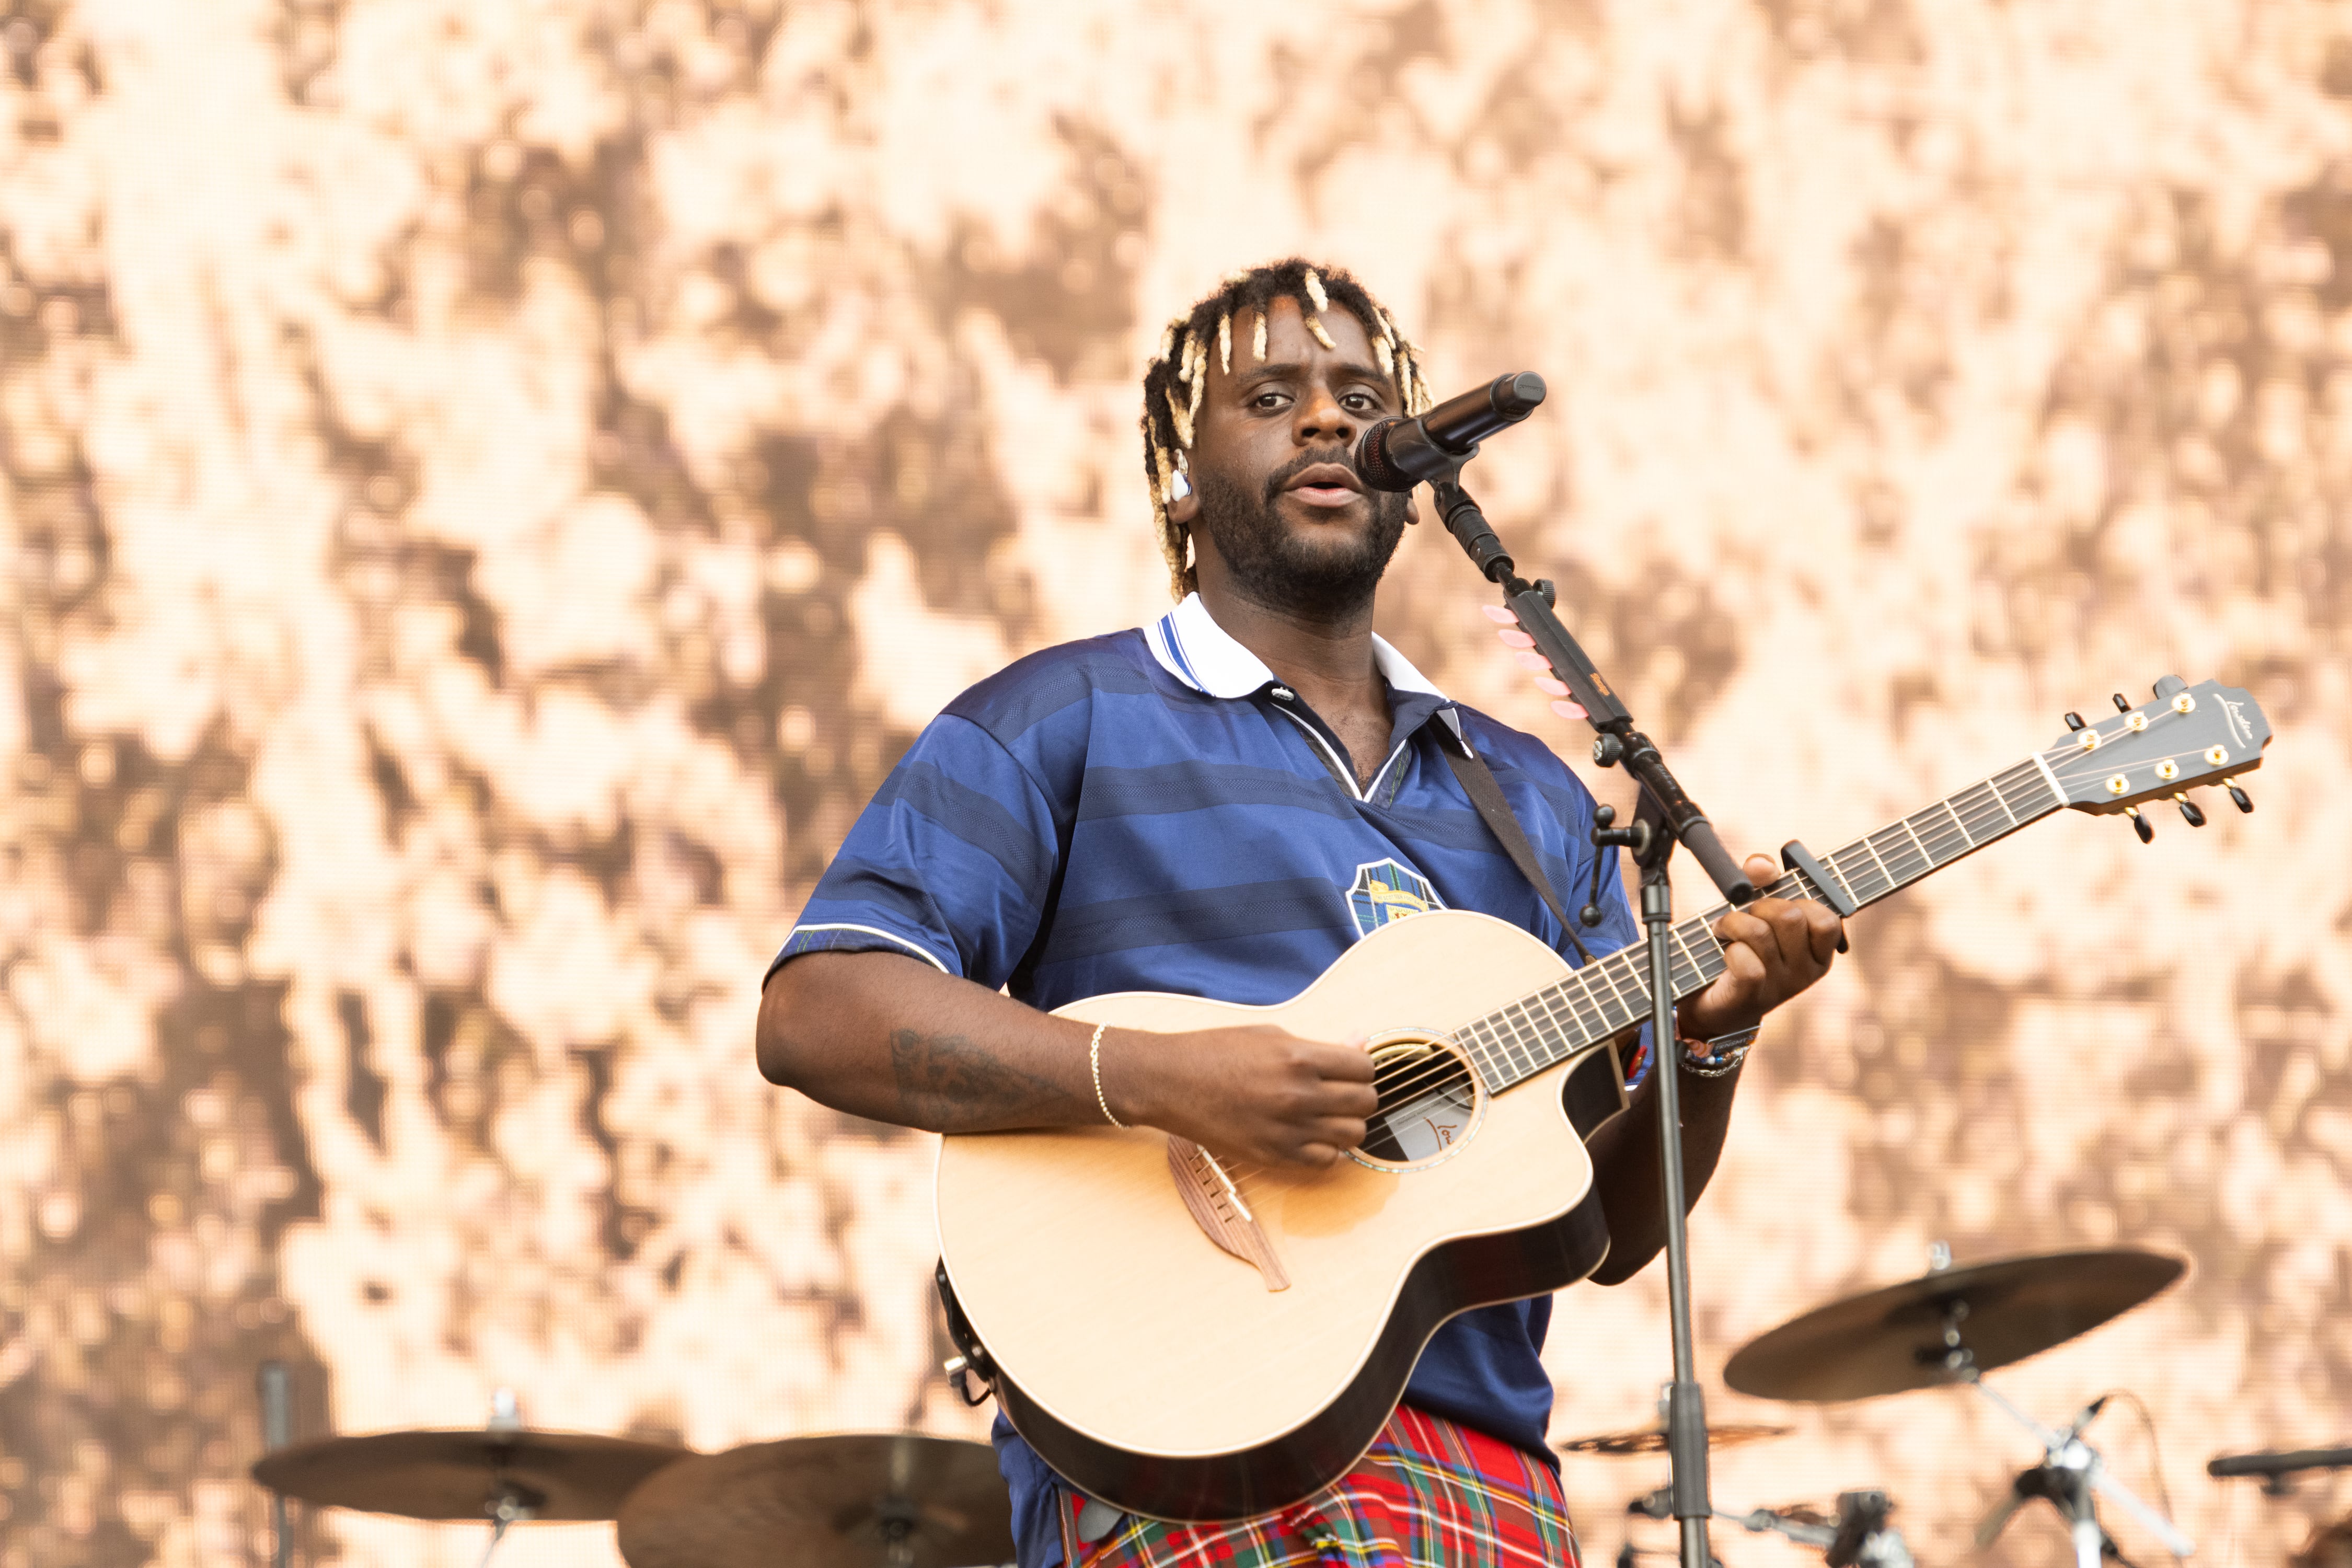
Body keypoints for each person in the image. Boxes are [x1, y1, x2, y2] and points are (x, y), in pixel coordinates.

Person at [756, 259, 1844, 1568]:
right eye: (1270, 395)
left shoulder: (1532, 796)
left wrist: (1715, 1042)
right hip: (1187, 1456)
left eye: (1359, 396)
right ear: (1180, 469)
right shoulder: (1060, 719)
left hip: (1483, 1482)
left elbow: (1603, 1230)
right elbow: (819, 1009)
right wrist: (1165, 1079)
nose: (1327, 423)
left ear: (1412, 482)